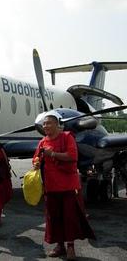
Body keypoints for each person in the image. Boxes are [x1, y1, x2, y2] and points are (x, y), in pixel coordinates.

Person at [32, 110, 95, 260]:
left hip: (68, 186)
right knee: (54, 218)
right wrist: (36, 162)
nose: (45, 125)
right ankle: (60, 246)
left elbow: (72, 156)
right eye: (44, 123)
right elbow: (36, 157)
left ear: (57, 124)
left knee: (70, 217)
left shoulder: (67, 137)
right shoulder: (42, 142)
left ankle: (71, 247)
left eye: (49, 123)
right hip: (51, 186)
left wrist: (52, 154)